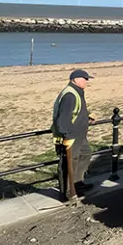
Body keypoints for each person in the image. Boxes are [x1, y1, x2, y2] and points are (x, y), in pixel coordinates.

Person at [52, 69, 95, 200]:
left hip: (79, 135)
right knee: (69, 163)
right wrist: (67, 136)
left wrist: (87, 117)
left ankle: (78, 183)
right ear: (74, 79)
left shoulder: (76, 92)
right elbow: (63, 119)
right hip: (70, 137)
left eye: (87, 79)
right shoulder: (70, 95)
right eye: (84, 78)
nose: (87, 81)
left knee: (85, 153)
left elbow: (75, 112)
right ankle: (68, 193)